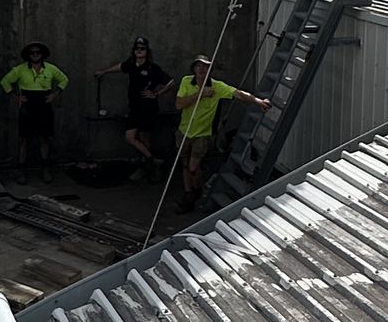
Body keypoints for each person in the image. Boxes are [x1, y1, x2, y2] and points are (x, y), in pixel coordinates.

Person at [174, 55, 268, 207]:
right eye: (198, 66)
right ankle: (188, 193)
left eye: (205, 66)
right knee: (185, 164)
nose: (201, 69)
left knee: (192, 167)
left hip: (202, 134)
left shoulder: (217, 87)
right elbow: (179, 104)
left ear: (210, 70)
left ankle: (197, 190)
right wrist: (201, 94)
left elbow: (238, 94)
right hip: (184, 131)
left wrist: (258, 101)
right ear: (194, 68)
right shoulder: (187, 81)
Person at [0, 39, 69, 176]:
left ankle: (45, 168)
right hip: (27, 107)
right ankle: (21, 170)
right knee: (24, 139)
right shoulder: (19, 69)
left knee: (44, 138)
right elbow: (5, 81)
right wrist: (15, 97)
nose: (35, 55)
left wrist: (55, 94)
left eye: (38, 52)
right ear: (28, 55)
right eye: (32, 53)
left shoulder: (51, 68)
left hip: (44, 106)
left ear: (42, 54)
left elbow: (64, 79)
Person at [99, 35, 172, 163]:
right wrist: (103, 71)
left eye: (142, 49)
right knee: (130, 137)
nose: (139, 51)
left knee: (145, 137)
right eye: (137, 48)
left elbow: (170, 82)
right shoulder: (131, 64)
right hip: (134, 107)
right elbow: (120, 67)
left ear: (147, 51)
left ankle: (147, 167)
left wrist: (156, 93)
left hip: (147, 108)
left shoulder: (152, 68)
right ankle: (152, 160)